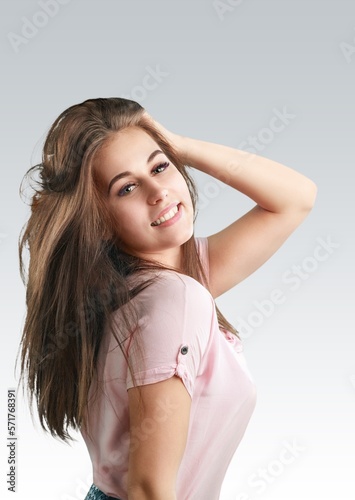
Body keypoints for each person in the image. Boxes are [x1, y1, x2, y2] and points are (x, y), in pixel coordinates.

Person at [18, 97, 317, 500]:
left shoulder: (160, 280)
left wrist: (174, 143)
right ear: (100, 222)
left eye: (160, 166)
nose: (158, 191)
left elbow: (295, 198)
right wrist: (168, 149)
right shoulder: (175, 297)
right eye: (126, 188)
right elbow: (148, 489)